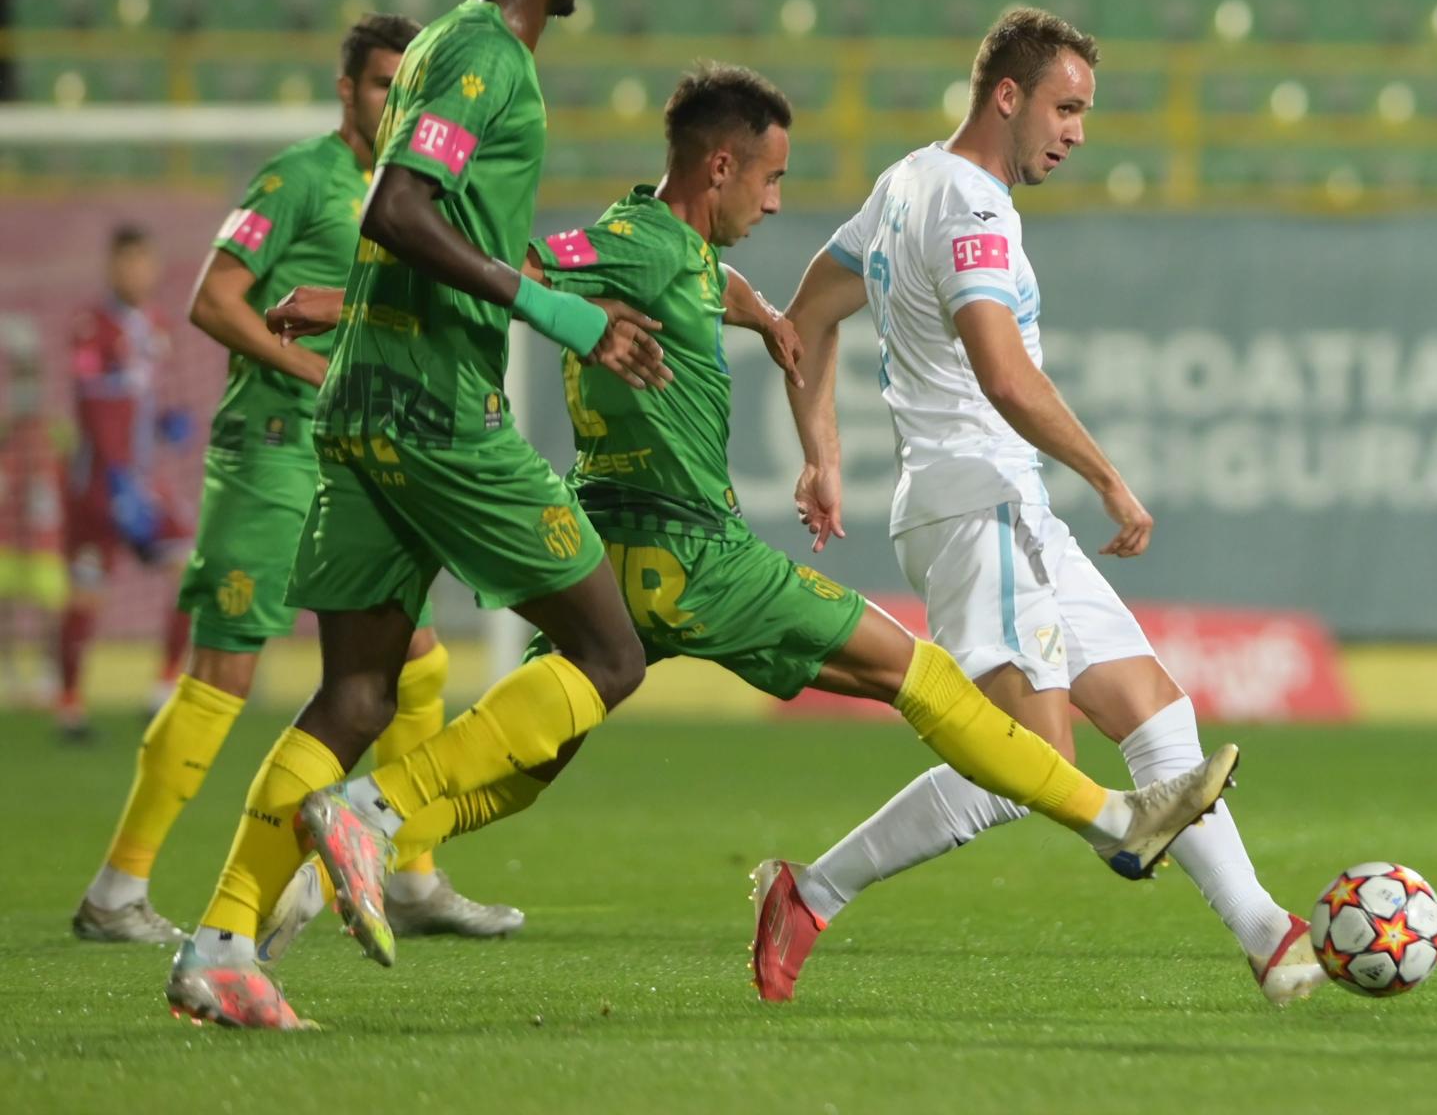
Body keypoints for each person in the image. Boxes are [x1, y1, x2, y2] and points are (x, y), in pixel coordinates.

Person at [252, 64, 1242, 1004]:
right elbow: (495, 273)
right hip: (692, 554)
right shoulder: (632, 241)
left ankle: (344, 844)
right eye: (769, 180)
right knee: (921, 675)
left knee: (526, 770)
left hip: (610, 557)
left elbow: (699, 282)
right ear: (719, 166)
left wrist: (765, 315)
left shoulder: (680, 252)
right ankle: (1119, 816)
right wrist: (346, 303)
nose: (775, 204)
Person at [163, 0, 667, 1030]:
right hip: (439, 414)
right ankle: (380, 816)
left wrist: (541, 281)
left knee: (352, 689)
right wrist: (555, 315)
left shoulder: (441, 43)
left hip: (359, 404)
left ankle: (221, 944)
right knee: (610, 655)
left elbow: (424, 217)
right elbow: (399, 208)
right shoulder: (493, 57)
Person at [756, 8, 1325, 1007]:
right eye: (1065, 107)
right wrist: (1108, 475)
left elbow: (803, 318)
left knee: (1153, 710)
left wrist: (822, 456)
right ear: (1005, 94)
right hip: (979, 505)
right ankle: (811, 892)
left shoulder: (906, 181)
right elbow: (1006, 376)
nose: (1076, 131)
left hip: (996, 507)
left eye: (1086, 113)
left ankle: (1269, 935)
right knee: (1025, 765)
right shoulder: (972, 208)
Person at [71, 15, 520, 948]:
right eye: (376, 83)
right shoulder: (300, 178)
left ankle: (413, 876)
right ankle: (119, 888)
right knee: (225, 673)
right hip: (273, 453)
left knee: (420, 662)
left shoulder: (413, 193)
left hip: (352, 463)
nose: (391, 100)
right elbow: (213, 299)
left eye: (407, 85)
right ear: (344, 89)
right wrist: (326, 372)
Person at [54, 226, 194, 741]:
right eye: (127, 263)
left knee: (189, 565)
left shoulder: (156, 325)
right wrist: (114, 477)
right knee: (86, 596)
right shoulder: (90, 326)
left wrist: (172, 419)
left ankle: (162, 687)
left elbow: (149, 400)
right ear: (112, 267)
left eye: (144, 263)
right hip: (97, 488)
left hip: (143, 483)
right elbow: (94, 402)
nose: (137, 273)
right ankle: (68, 705)